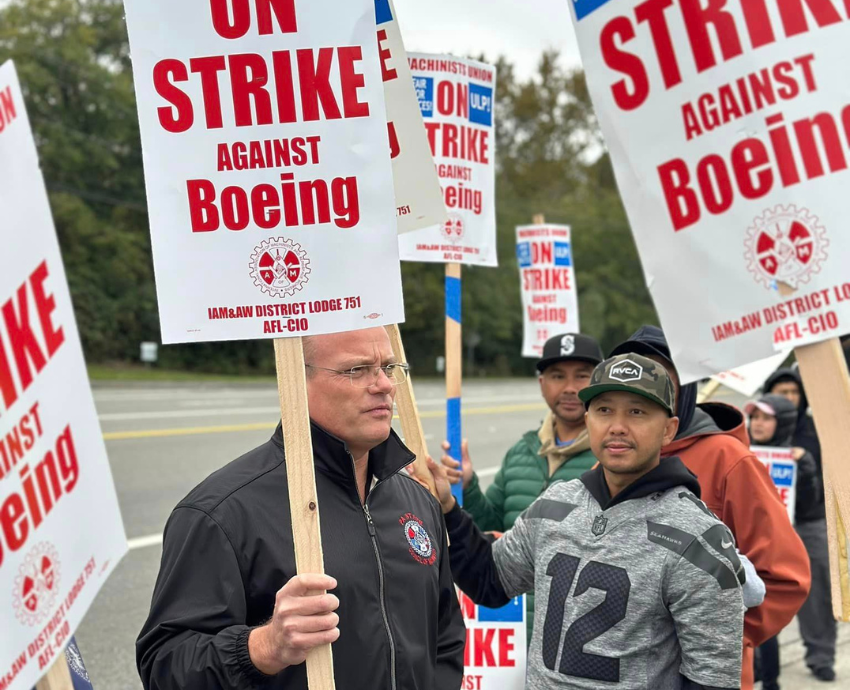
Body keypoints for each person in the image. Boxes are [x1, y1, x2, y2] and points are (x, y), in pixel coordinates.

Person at [136, 327, 466, 690]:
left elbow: (445, 637)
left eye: (388, 367)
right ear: (296, 379)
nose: (384, 385)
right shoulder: (223, 513)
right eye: (356, 370)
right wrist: (263, 648)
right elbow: (163, 667)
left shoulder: (417, 499)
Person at [428, 353, 751, 689]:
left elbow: (711, 680)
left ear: (669, 429)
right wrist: (448, 508)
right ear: (588, 419)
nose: (617, 426)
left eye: (637, 411)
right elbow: (490, 582)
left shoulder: (699, 538)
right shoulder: (556, 502)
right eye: (604, 410)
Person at [609, 326, 811, 690]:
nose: (645, 385)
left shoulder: (729, 460)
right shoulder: (611, 458)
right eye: (635, 371)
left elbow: (785, 577)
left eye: (661, 375)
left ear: (684, 386)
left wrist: (712, 640)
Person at [440, 333, 603, 634]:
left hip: (572, 641)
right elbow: (488, 531)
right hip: (511, 633)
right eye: (557, 376)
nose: (569, 387)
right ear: (542, 384)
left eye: (582, 376)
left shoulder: (610, 463)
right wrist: (468, 485)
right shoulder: (522, 451)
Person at [764, 368, 836, 683]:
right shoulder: (758, 427)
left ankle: (820, 655)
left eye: (794, 392)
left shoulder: (819, 428)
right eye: (782, 392)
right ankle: (763, 660)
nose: (789, 398)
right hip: (769, 527)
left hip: (810, 520)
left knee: (818, 590)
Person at [746, 393, 821, 690]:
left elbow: (807, 504)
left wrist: (805, 470)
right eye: (755, 417)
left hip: (778, 547)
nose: (758, 424)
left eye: (766, 418)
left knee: (767, 616)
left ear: (784, 421)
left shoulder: (798, 456)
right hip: (746, 544)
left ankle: (771, 680)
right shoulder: (740, 452)